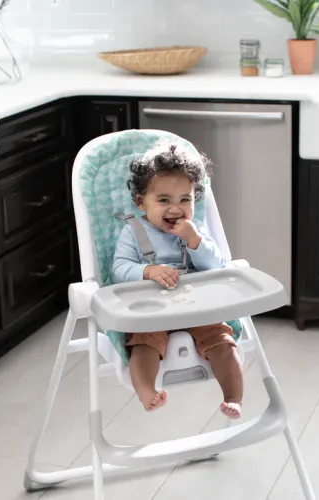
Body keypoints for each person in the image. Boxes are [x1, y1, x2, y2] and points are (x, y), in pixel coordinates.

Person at [112, 142, 243, 419]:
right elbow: (119, 269)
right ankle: (147, 392)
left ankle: (233, 398)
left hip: (197, 307)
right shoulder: (133, 231)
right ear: (141, 202)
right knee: (143, 344)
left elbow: (216, 266)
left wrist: (194, 241)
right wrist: (147, 271)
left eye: (185, 199)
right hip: (153, 311)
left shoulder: (195, 230)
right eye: (164, 201)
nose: (176, 209)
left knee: (222, 341)